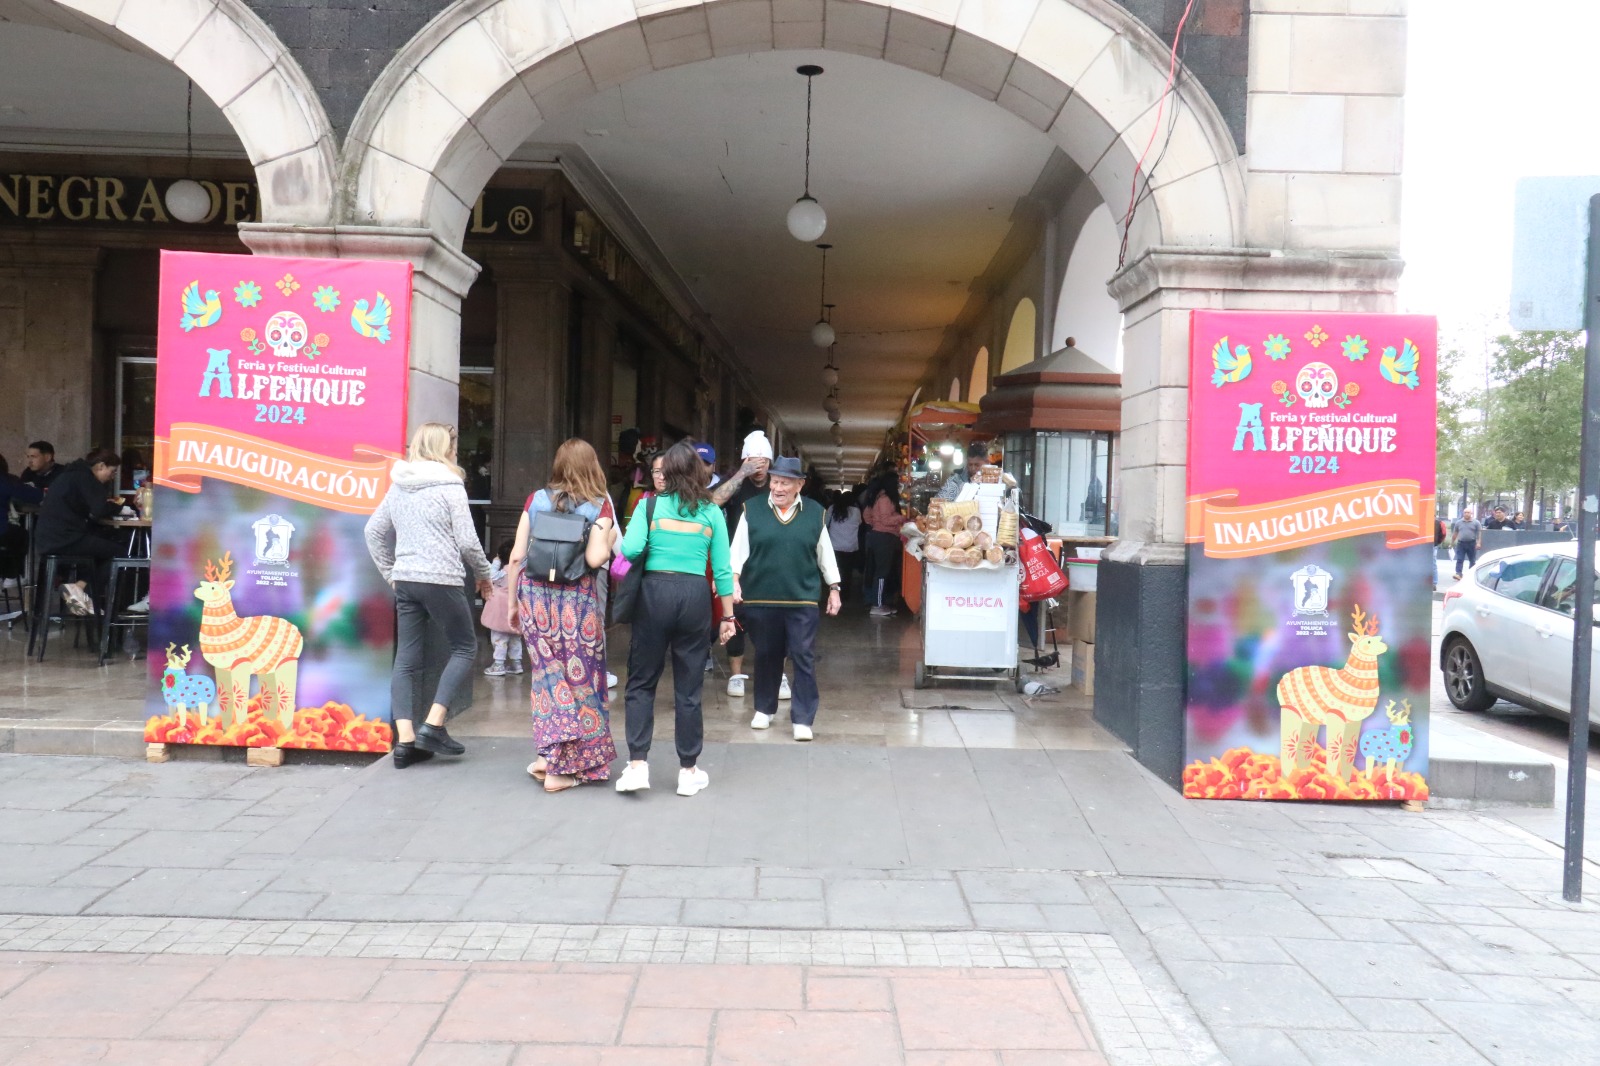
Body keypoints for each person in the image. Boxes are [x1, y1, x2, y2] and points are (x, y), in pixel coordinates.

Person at [364, 423, 493, 769]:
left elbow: (373, 531)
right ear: (444, 449)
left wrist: (391, 573)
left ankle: (405, 741)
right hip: (441, 580)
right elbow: (468, 541)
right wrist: (484, 573)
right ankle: (434, 725)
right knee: (465, 647)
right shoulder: (451, 485)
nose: (455, 451)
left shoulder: (399, 484)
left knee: (406, 659)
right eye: (453, 445)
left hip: (406, 580)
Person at [616, 440, 736, 798]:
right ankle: (688, 771)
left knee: (641, 682)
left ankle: (638, 766)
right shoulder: (712, 511)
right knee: (689, 688)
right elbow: (723, 570)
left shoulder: (649, 505)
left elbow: (630, 549)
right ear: (699, 473)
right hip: (695, 596)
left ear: (666, 473)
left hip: (654, 594)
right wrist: (728, 616)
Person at [506, 438, 619, 792]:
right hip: (576, 603)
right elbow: (595, 559)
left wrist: (512, 604)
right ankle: (559, 771)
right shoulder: (600, 506)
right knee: (579, 680)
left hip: (535, 598)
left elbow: (516, 556)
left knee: (547, 677)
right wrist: (609, 537)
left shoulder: (535, 500)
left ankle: (547, 756)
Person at [731, 456, 842, 741]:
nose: (778, 488)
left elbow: (825, 553)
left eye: (785, 483)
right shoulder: (752, 510)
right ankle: (764, 709)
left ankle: (803, 718)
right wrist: (734, 580)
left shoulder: (815, 512)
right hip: (760, 597)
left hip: (802, 599)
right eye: (775, 481)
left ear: (799, 485)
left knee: (803, 656)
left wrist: (834, 587)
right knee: (766, 654)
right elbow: (738, 551)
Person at [712, 430, 782, 698]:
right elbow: (713, 501)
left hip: (771, 562)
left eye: (763, 461)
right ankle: (736, 675)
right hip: (737, 562)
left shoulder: (778, 484)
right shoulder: (736, 484)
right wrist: (741, 473)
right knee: (736, 617)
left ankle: (778, 674)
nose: (759, 467)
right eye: (753, 460)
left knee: (775, 619)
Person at [33, 447, 124, 616]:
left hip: (50, 538)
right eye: (112, 471)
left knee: (100, 547)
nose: (112, 476)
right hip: (64, 538)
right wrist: (119, 507)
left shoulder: (71, 474)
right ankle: (83, 592)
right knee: (119, 552)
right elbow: (100, 509)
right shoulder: (85, 477)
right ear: (101, 466)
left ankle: (79, 589)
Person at [862, 472, 904, 616]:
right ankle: (877, 605)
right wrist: (902, 518)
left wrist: (875, 524)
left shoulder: (875, 497)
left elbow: (867, 516)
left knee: (880, 571)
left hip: (878, 536)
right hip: (884, 538)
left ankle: (880, 602)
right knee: (882, 572)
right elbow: (886, 520)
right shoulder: (886, 499)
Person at [481, 537, 522, 678]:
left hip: (500, 610)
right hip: (517, 608)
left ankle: (498, 664)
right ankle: (517, 664)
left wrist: (496, 561)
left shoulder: (504, 572)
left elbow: (491, 576)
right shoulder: (523, 572)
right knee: (516, 637)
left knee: (499, 637)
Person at [826, 490, 862, 600]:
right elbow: (859, 523)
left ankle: (834, 592)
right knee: (847, 571)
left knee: (835, 570)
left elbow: (825, 523)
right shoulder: (856, 511)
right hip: (850, 546)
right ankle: (845, 594)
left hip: (834, 545)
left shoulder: (833, 509)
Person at [1450, 508, 1481, 580]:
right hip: (1461, 543)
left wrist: (1478, 543)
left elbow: (1479, 533)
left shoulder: (1476, 522)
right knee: (1460, 559)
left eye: (1468, 512)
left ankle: (1471, 574)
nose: (1466, 514)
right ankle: (1458, 574)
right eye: (1465, 512)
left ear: (1471, 514)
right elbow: (1455, 533)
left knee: (1472, 560)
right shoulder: (1458, 522)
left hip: (1472, 543)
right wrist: (1451, 543)